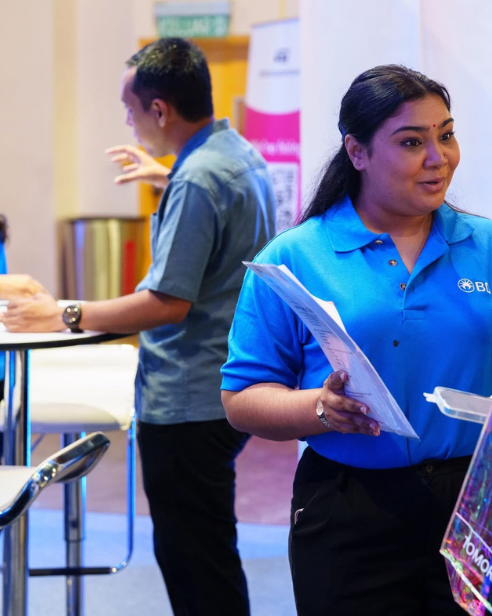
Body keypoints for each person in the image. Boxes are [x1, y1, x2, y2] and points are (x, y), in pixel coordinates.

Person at [221, 64, 492, 615]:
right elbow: (241, 399)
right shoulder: (297, 256)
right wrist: (319, 408)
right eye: (411, 142)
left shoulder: (491, 247)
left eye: (445, 135)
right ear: (357, 152)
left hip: (479, 500)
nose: (438, 157)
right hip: (350, 509)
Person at [3, 38, 277, 616]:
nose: (128, 123)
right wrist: (168, 177)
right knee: (209, 552)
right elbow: (214, 215)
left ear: (160, 111)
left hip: (188, 398)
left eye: (131, 111)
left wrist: (65, 314)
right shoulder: (234, 155)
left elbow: (167, 302)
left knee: (195, 562)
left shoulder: (198, 179)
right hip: (224, 382)